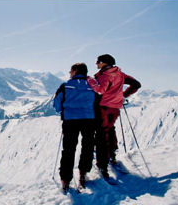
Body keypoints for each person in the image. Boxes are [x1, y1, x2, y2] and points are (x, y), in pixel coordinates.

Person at [87, 54, 141, 179]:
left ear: (104, 63)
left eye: (98, 62)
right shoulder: (120, 74)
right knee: (110, 130)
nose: (96, 64)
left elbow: (100, 90)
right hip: (115, 107)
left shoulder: (104, 75)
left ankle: (102, 165)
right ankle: (112, 154)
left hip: (103, 107)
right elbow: (136, 84)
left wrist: (89, 80)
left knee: (101, 134)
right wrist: (123, 96)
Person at [53, 63, 97, 192]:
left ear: (75, 71)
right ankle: (83, 172)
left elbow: (57, 105)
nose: (69, 73)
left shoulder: (65, 86)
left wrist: (64, 110)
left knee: (68, 149)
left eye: (70, 71)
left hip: (70, 120)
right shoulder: (93, 86)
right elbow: (98, 102)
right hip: (89, 119)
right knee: (88, 145)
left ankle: (66, 179)